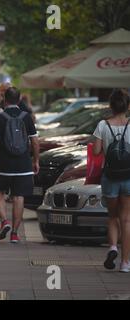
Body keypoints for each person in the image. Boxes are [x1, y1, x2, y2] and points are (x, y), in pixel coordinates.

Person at [0, 87, 39, 243]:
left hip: (4, 165)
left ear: (5, 99)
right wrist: (35, 160)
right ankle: (14, 233)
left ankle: (4, 221)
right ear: (19, 100)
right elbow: (34, 141)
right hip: (23, 165)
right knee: (19, 197)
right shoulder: (27, 117)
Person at [92, 89, 130, 273]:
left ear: (110, 106)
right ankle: (125, 263)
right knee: (127, 219)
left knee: (112, 217)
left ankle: (113, 247)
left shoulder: (102, 125)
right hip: (129, 177)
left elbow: (97, 152)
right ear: (128, 106)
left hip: (110, 177)